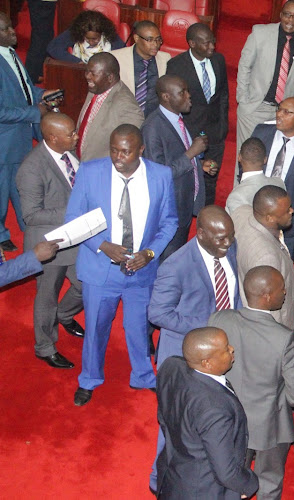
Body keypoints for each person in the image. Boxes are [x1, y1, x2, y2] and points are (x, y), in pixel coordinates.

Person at [65, 124, 178, 406]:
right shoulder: (91, 172)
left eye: (126, 151)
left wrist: (150, 253)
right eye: (114, 149)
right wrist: (103, 246)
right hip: (100, 269)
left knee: (139, 326)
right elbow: (74, 219)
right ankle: (89, 378)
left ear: (141, 149)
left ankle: (143, 376)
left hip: (141, 270)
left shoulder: (161, 176)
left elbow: (169, 222)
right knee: (95, 328)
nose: (118, 156)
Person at [147, 205, 240, 491]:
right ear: (200, 234)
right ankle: (158, 480)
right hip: (185, 356)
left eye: (230, 237)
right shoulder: (175, 266)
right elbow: (157, 313)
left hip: (219, 351)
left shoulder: (228, 247)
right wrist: (208, 325)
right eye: (221, 239)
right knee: (176, 426)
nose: (228, 243)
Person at [209, 266, 294, 500]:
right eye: (282, 289)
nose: (286, 293)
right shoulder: (284, 338)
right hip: (269, 425)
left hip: (228, 421)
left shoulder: (220, 318)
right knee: (269, 481)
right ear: (267, 296)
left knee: (230, 479)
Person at [156, 327, 259, 499]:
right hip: (202, 490)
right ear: (207, 363)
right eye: (226, 349)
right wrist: (249, 483)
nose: (232, 349)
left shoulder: (171, 365)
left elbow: (164, 418)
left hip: (173, 473)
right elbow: (225, 472)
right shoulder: (215, 408)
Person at [16, 113, 85, 370]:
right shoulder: (31, 169)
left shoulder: (69, 154)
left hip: (75, 237)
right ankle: (44, 347)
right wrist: (74, 210)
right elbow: (31, 215)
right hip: (48, 246)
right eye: (71, 134)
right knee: (47, 297)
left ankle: (64, 315)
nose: (76, 136)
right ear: (53, 138)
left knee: (84, 284)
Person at [0, 12, 62, 252]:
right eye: (6, 30)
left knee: (22, 188)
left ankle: (30, 228)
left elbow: (25, 89)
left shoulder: (11, 54)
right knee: (2, 191)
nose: (13, 32)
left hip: (22, 139)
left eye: (10, 28)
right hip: (5, 142)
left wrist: (43, 94)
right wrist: (34, 112)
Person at [142, 75, 210, 261]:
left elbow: (174, 157)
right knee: (168, 260)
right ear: (166, 97)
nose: (189, 96)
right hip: (169, 209)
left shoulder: (177, 118)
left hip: (185, 201)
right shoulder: (153, 127)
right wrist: (191, 153)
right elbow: (157, 175)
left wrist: (199, 164)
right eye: (182, 93)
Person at [249, 97, 294, 259]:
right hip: (255, 214)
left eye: (286, 112)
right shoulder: (261, 133)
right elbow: (247, 166)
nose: (279, 115)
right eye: (279, 109)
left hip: (289, 225)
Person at [236, 0, 294, 149]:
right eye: (287, 15)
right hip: (254, 107)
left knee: (275, 158)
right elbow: (244, 66)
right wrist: (243, 99)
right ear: (280, 15)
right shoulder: (260, 33)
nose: (291, 20)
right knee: (247, 158)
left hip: (285, 113)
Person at [166, 23, 229, 206]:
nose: (211, 47)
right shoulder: (176, 65)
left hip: (215, 131)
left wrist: (223, 124)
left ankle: (206, 212)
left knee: (211, 176)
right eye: (206, 43)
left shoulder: (218, 60)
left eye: (213, 42)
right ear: (192, 43)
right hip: (189, 130)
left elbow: (223, 94)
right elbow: (173, 103)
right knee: (187, 175)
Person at [230, 185, 294, 330]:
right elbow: (268, 309)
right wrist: (279, 336)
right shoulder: (266, 257)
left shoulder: (242, 212)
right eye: (286, 211)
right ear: (269, 217)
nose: (292, 211)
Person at [76, 52, 144, 162]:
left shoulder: (127, 106)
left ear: (110, 77)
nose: (87, 77)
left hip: (102, 170)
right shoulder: (96, 88)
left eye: (93, 74)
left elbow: (131, 148)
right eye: (87, 71)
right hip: (81, 163)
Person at [110, 20, 171, 117]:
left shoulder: (166, 59)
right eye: (150, 40)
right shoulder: (116, 58)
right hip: (123, 116)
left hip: (153, 119)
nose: (155, 45)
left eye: (158, 39)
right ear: (136, 38)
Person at [225, 138, 285, 215]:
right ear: (265, 160)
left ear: (239, 157)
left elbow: (238, 225)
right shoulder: (279, 183)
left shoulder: (236, 196)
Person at [47, 10, 125, 64]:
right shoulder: (75, 32)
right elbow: (53, 47)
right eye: (87, 38)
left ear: (102, 33)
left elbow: (124, 54)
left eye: (95, 39)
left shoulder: (111, 37)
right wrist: (77, 62)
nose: (91, 42)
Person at [25, 0, 57, 83]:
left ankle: (39, 72)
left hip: (45, 2)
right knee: (40, 36)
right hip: (43, 2)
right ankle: (30, 75)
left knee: (46, 35)